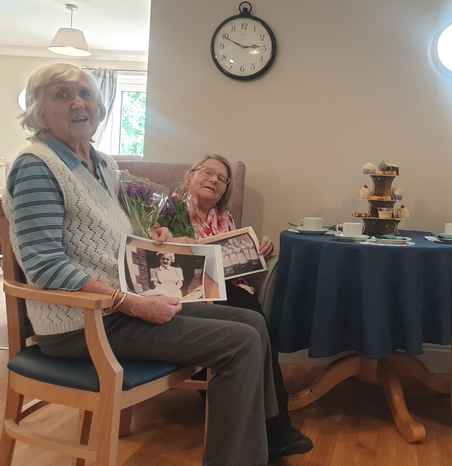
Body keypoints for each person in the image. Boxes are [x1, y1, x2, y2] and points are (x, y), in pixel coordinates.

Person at [3, 63, 279, 466]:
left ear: (100, 107)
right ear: (39, 110)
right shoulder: (36, 166)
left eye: (86, 94)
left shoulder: (97, 164)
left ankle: (263, 442)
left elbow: (112, 235)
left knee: (251, 322)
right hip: (79, 324)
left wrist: (154, 238)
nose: (79, 102)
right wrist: (132, 303)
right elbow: (46, 267)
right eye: (62, 95)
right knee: (239, 342)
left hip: (116, 311)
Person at [175, 154, 313, 461]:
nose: (214, 180)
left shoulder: (224, 219)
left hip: (230, 289)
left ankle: (271, 428)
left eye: (222, 179)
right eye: (207, 173)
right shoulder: (169, 211)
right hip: (194, 292)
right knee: (252, 318)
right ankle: (275, 429)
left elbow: (237, 268)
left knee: (257, 321)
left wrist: (257, 254)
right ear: (190, 176)